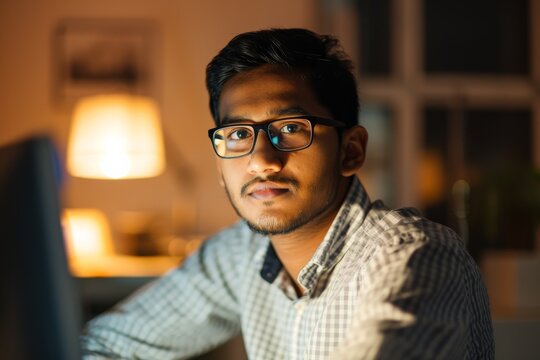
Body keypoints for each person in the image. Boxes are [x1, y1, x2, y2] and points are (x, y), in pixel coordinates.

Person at [81, 28, 494, 359]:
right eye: (239, 134)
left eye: (291, 128)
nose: (261, 160)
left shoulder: (416, 254)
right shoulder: (240, 254)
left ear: (351, 150)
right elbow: (102, 344)